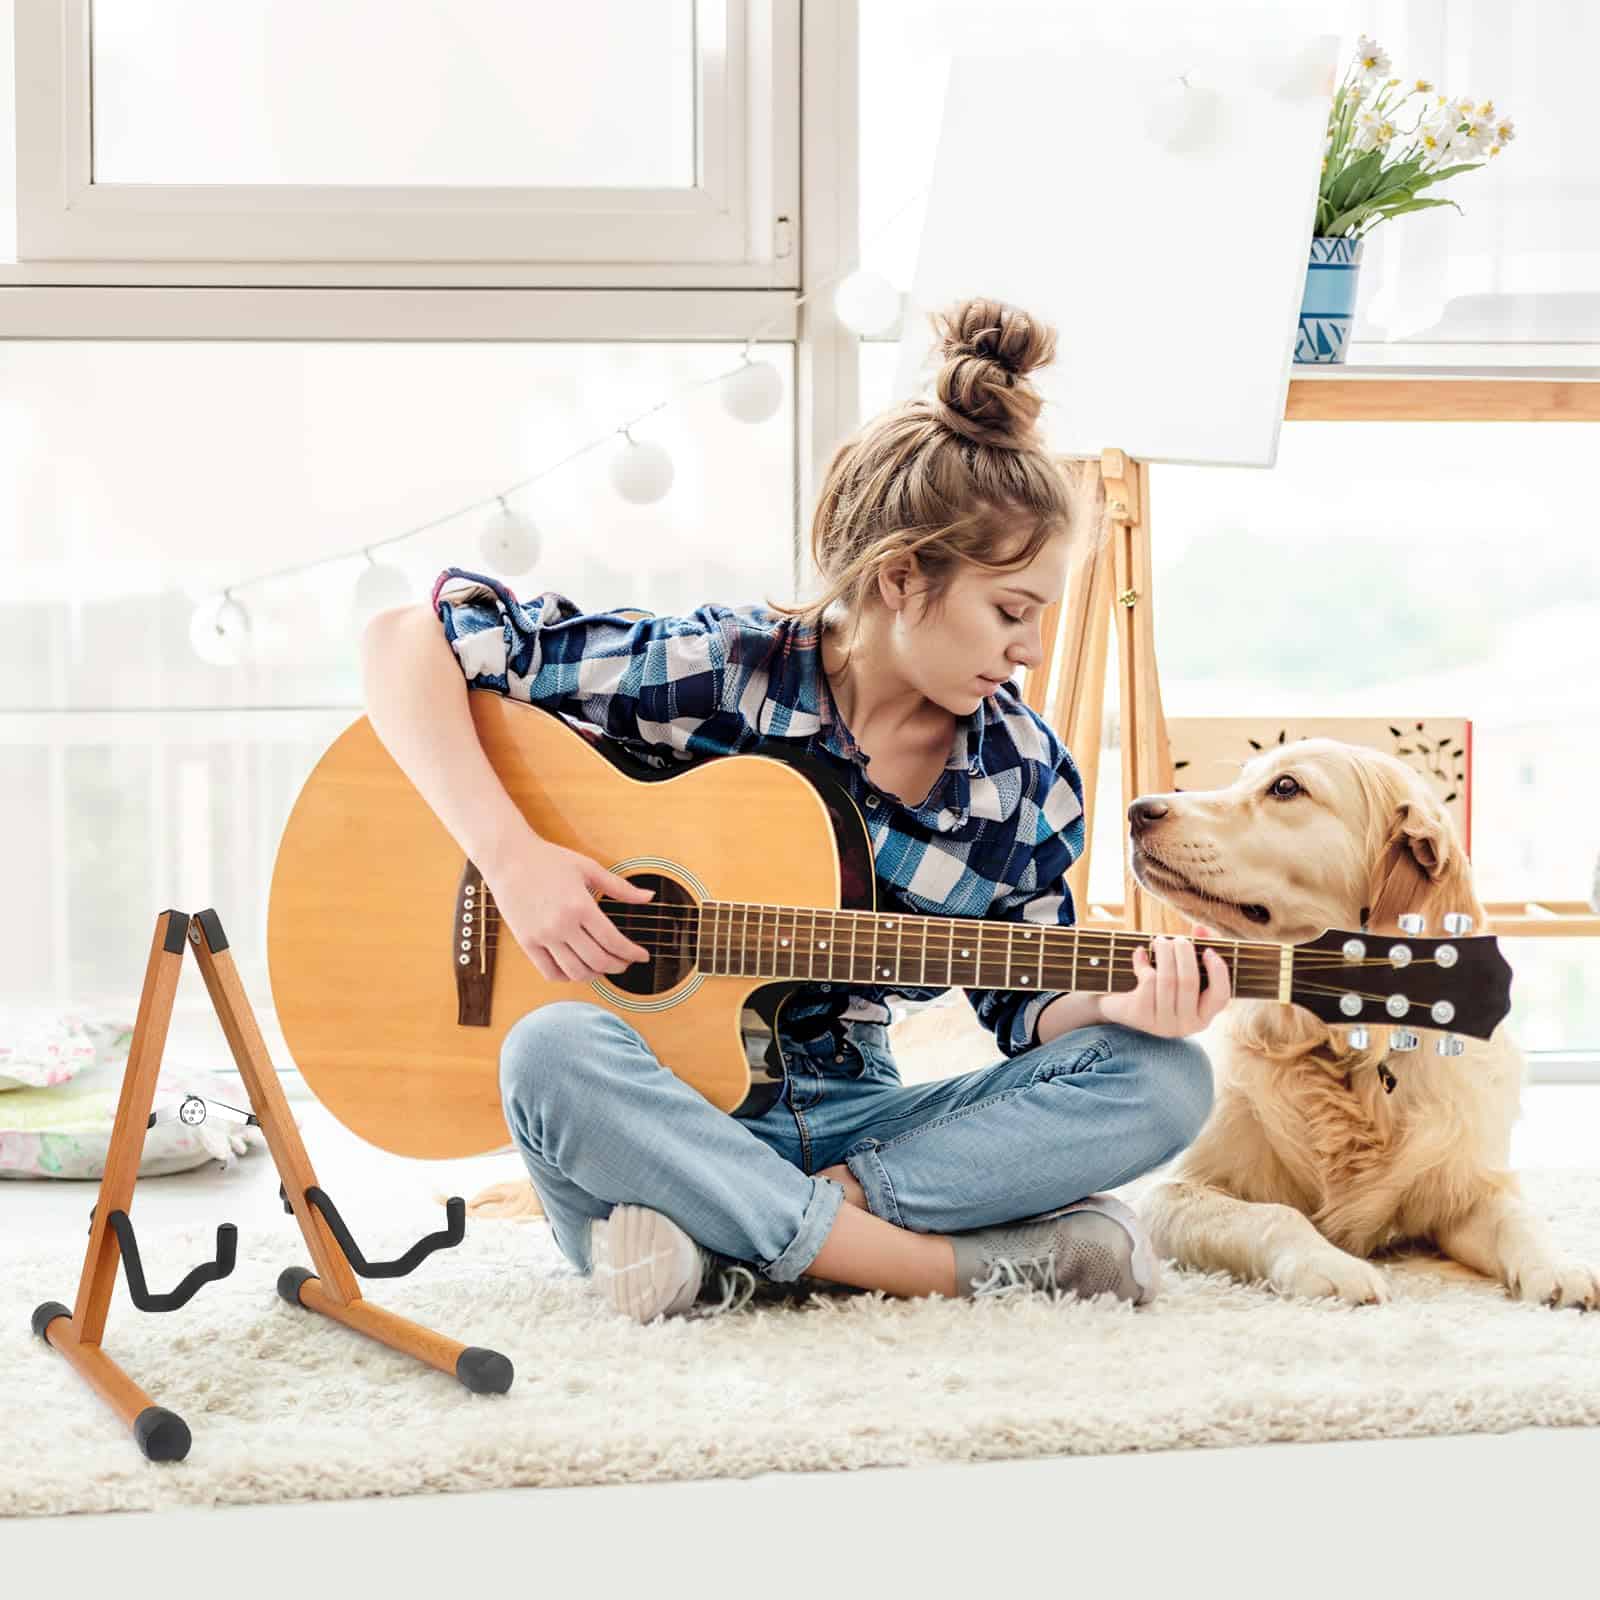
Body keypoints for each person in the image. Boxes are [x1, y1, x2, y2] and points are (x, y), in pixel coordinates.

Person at [360, 294, 1226, 1326]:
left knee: (1165, 1080)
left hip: (864, 1121)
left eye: (1040, 617)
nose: (1031, 650)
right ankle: (943, 1268)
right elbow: (406, 639)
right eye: (1010, 610)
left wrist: (1118, 1002)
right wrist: (511, 858)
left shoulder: (1021, 775)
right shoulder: (723, 670)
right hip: (660, 1114)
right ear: (903, 578)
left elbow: (1024, 1007)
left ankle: (749, 1244)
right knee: (548, 1053)